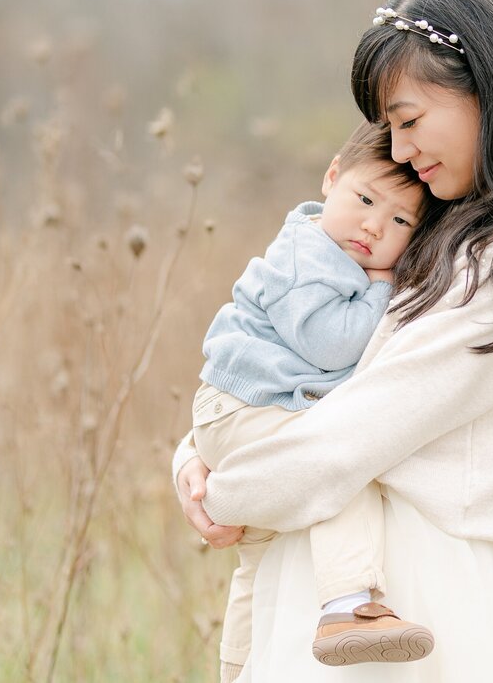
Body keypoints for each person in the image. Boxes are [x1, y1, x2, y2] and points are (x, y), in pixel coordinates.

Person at [174, 0, 493, 682]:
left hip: (417, 594)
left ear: (484, 87)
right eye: (390, 131)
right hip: (328, 574)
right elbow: (308, 376)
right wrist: (194, 451)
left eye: (409, 120)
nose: (400, 152)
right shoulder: (445, 216)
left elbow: (358, 432)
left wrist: (219, 490)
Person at [184, 121, 440, 681]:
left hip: (255, 406)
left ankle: (239, 667)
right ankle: (350, 605)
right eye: (365, 199)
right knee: (338, 470)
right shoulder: (309, 253)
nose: (374, 226)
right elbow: (330, 345)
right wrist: (386, 285)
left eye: (400, 221)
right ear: (331, 178)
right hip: (243, 407)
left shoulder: (334, 256)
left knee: (260, 557)